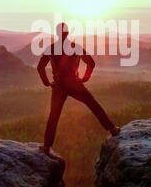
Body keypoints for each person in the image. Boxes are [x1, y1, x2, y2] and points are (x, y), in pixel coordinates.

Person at [37, 22, 120, 156]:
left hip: (58, 86)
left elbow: (40, 67)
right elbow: (91, 63)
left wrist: (47, 83)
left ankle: (46, 147)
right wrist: (85, 78)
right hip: (75, 84)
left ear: (57, 33)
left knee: (54, 116)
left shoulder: (51, 48)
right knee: (93, 104)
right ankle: (112, 129)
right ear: (68, 33)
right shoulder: (75, 47)